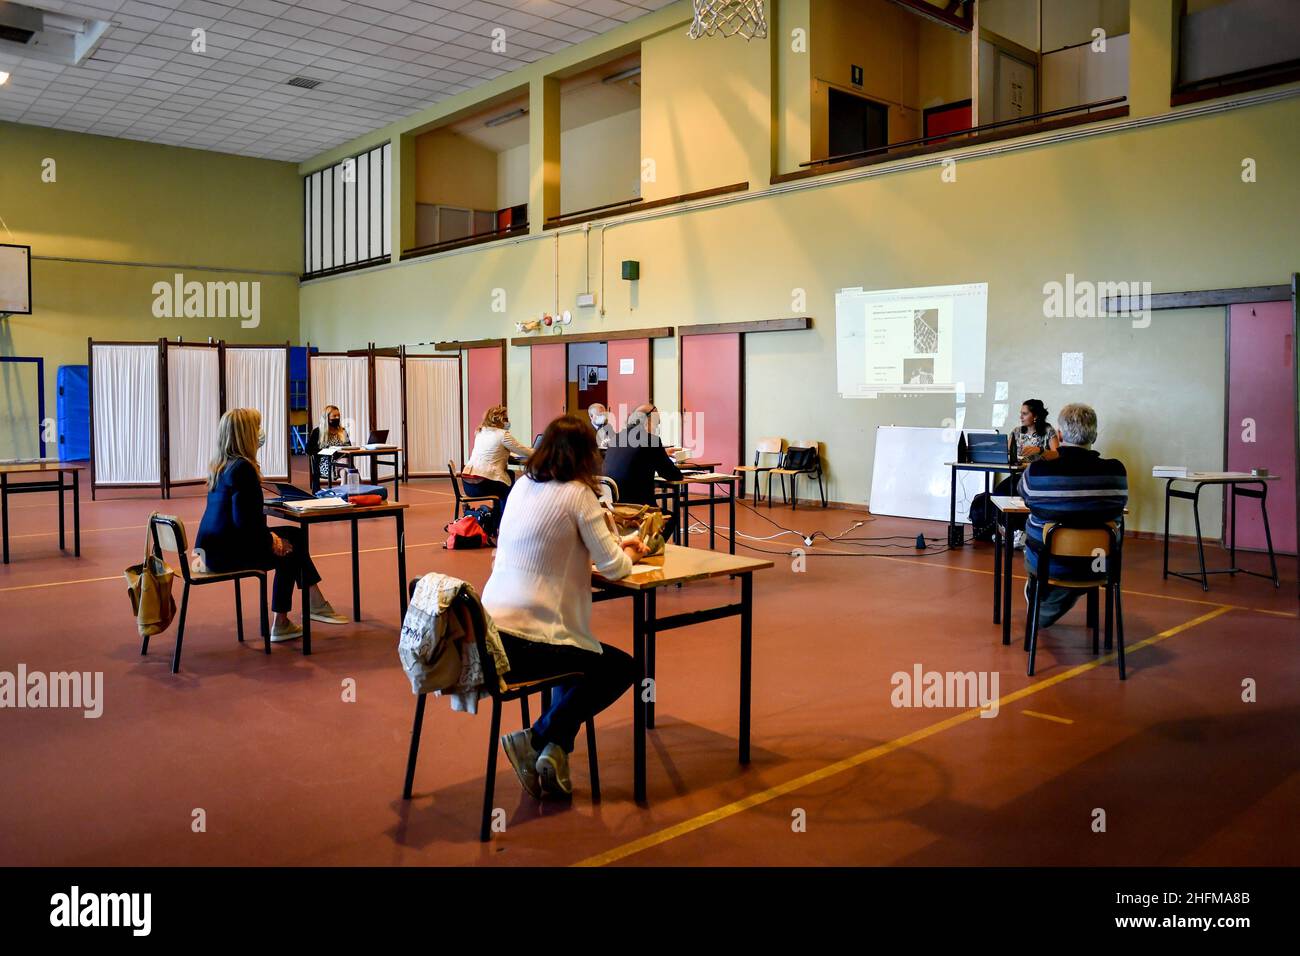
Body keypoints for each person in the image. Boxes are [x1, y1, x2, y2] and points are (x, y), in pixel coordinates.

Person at [483, 415, 648, 798]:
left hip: (491, 633)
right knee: (621, 667)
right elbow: (613, 566)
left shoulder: (522, 486)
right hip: (531, 640)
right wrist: (629, 551)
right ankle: (536, 737)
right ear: (587, 455)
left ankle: (554, 751)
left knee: (580, 661)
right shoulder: (578, 494)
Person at [196, 408, 348, 642]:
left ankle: (309, 604)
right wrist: (271, 540)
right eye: (256, 427)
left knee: (292, 536)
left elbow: (240, 517)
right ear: (246, 434)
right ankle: (291, 616)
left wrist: (270, 537)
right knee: (289, 546)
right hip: (226, 552)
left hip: (211, 548)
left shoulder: (222, 465)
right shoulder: (243, 469)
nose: (261, 432)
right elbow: (245, 524)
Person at [1018, 402, 1128, 629]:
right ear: (1095, 436)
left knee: (1039, 531)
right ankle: (1064, 594)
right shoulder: (1116, 471)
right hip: (1100, 563)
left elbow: (1025, 496)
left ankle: (1046, 600)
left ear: (1059, 434)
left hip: (1049, 563)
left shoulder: (1037, 471)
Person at [601, 402, 684, 539]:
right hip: (638, 507)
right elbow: (671, 474)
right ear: (648, 420)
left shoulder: (616, 438)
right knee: (671, 518)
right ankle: (647, 550)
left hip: (613, 505)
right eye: (657, 423)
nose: (657, 427)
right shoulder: (651, 441)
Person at [462, 405, 532, 527]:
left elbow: (492, 452)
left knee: (506, 478)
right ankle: (507, 522)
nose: (508, 422)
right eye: (505, 419)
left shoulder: (480, 432)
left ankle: (498, 520)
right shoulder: (503, 434)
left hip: (468, 484)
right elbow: (524, 451)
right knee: (507, 484)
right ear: (499, 420)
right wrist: (543, 450)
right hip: (482, 484)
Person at [306, 404, 351, 489]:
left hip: (340, 462)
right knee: (347, 464)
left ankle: (342, 491)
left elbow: (349, 447)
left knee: (344, 470)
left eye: (338, 415)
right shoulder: (318, 432)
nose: (337, 418)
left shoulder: (342, 431)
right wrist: (327, 450)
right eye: (334, 416)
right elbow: (308, 449)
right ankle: (359, 487)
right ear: (327, 418)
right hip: (325, 463)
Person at [1015, 399, 1060, 463]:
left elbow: (1057, 455)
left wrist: (1040, 450)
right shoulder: (1016, 431)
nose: (1021, 417)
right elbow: (1007, 453)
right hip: (1018, 471)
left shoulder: (1049, 431)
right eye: (1021, 413)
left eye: (1024, 414)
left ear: (1035, 416)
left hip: (1040, 471)